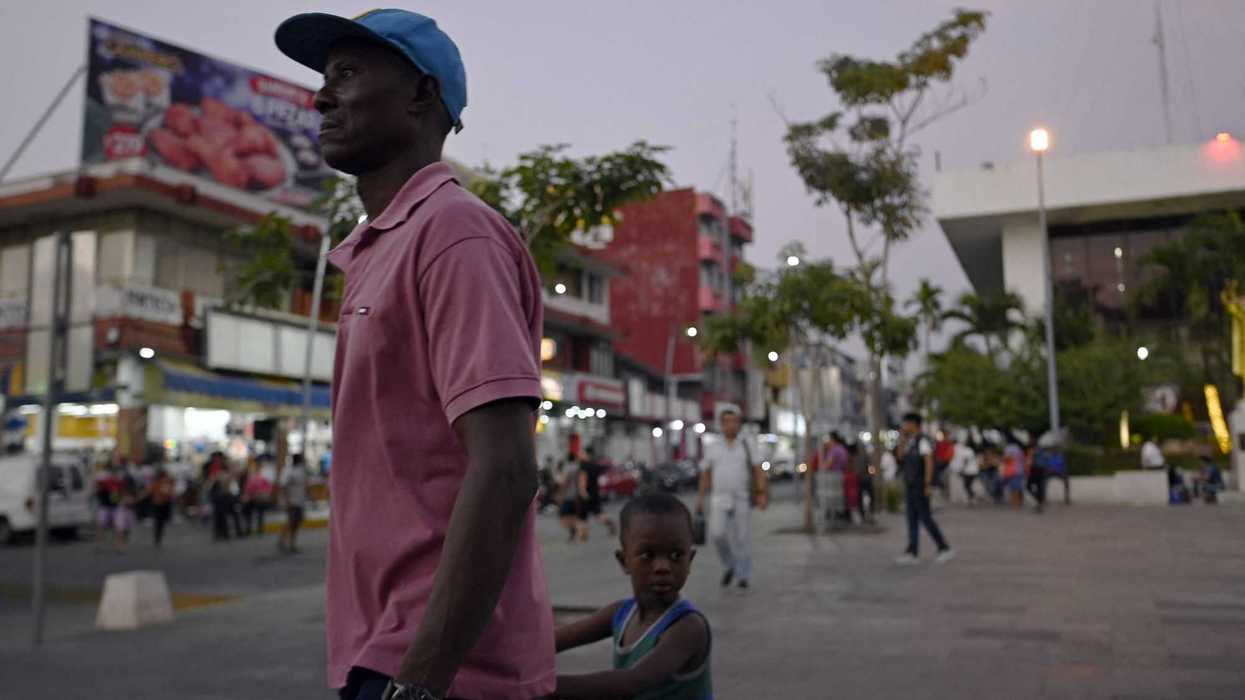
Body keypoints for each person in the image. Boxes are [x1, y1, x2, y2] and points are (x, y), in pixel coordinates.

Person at [275, 10, 554, 698]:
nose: (321, 95)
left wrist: (421, 679)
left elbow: (508, 467)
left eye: (346, 72)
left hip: (435, 669)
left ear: (422, 96)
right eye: (323, 76)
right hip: (383, 652)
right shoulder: (381, 247)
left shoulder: (454, 233)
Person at [554, 490, 712, 699]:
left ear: (689, 561)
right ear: (623, 561)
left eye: (676, 555)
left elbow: (632, 681)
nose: (662, 566)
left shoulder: (688, 628)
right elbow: (556, 640)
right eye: (648, 555)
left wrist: (542, 688)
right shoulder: (621, 613)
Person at [695, 409, 768, 588]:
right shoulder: (713, 445)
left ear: (739, 423)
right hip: (719, 498)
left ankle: (743, 576)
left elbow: (758, 469)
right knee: (717, 534)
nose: (731, 425)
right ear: (721, 424)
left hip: (741, 497)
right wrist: (700, 498)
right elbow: (706, 473)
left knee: (742, 538)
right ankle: (730, 565)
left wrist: (761, 493)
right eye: (727, 421)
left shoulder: (747, 443)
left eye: (734, 421)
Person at [894, 413, 954, 565]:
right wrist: (902, 440)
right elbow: (900, 457)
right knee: (911, 519)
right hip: (910, 484)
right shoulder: (909, 441)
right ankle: (912, 551)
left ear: (914, 424)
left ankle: (944, 547)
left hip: (920, 484)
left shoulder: (923, 441)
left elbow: (928, 463)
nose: (904, 426)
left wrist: (928, 484)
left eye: (906, 423)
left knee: (925, 518)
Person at [578, 446, 618, 540]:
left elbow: (583, 479)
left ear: (586, 454)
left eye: (582, 453)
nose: (580, 455)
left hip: (586, 493)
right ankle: (611, 523)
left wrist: (582, 492)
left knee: (582, 516)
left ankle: (583, 536)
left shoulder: (584, 465)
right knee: (598, 514)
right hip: (595, 492)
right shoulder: (595, 464)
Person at [278, 453, 309, 554]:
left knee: (296, 522)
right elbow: (283, 486)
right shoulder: (288, 471)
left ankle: (290, 542)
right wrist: (287, 501)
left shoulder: (301, 471)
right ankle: (285, 541)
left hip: (300, 501)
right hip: (292, 501)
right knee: (291, 521)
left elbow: (305, 485)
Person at [241, 456, 274, 537]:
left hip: (260, 498)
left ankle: (259, 529)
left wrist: (262, 492)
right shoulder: (251, 476)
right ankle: (249, 528)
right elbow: (247, 488)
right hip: (252, 498)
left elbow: (268, 488)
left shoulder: (264, 476)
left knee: (260, 513)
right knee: (248, 512)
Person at [149, 467, 176, 548]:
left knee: (161, 522)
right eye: (164, 476)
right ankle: (157, 539)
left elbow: (171, 493)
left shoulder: (168, 483)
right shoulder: (156, 483)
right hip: (158, 504)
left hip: (165, 504)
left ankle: (158, 538)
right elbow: (150, 491)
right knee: (158, 522)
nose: (165, 477)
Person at [950, 438, 979, 505]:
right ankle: (971, 497)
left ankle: (972, 496)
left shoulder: (968, 450)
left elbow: (966, 460)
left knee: (967, 485)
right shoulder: (966, 450)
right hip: (969, 471)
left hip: (970, 471)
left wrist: (961, 468)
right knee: (968, 485)